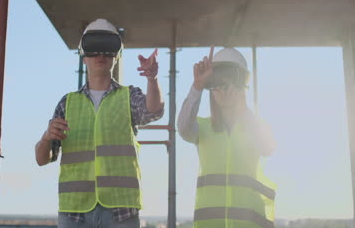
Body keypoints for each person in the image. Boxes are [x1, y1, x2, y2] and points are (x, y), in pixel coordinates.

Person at [35, 19, 164, 228]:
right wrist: (46, 138)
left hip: (121, 211)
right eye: (94, 49)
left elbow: (153, 110)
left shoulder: (129, 96)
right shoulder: (67, 103)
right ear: (83, 56)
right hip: (74, 213)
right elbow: (42, 159)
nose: (101, 55)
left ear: (116, 56)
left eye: (107, 49)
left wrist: (152, 79)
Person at [177, 47, 276, 228]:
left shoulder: (255, 126)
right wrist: (197, 86)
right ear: (210, 91)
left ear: (241, 88)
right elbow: (183, 128)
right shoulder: (203, 128)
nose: (224, 91)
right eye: (217, 85)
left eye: (230, 84)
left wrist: (242, 108)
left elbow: (268, 147)